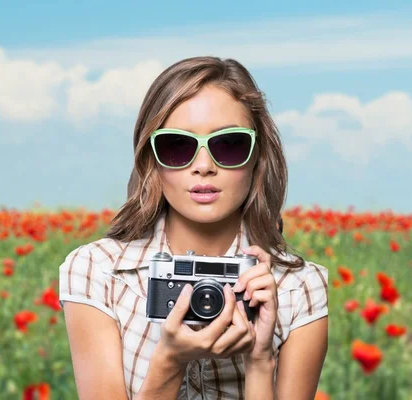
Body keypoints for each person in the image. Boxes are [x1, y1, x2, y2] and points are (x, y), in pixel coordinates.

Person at [58, 56, 329, 400]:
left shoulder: (299, 288)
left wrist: (259, 360)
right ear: (151, 161)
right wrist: (170, 361)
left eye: (229, 145)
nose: (203, 166)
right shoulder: (97, 272)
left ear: (258, 159)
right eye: (177, 146)